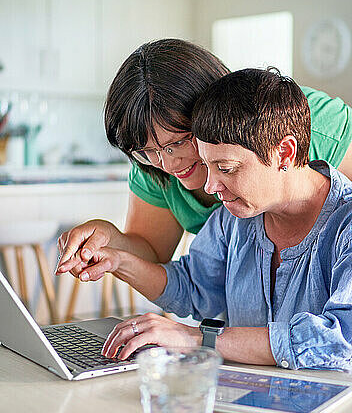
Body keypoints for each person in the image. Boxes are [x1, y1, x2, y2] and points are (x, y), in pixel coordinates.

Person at [80, 68, 352, 371]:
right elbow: (193, 287)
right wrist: (118, 261)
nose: (210, 187)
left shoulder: (346, 225)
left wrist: (198, 338)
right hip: (250, 397)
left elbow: (340, 339)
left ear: (285, 153)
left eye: (226, 167)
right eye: (208, 166)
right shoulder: (234, 218)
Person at [56, 39, 352, 282]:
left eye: (179, 142)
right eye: (147, 151)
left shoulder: (313, 125)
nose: (168, 165)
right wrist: (110, 240)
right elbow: (156, 257)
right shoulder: (152, 164)